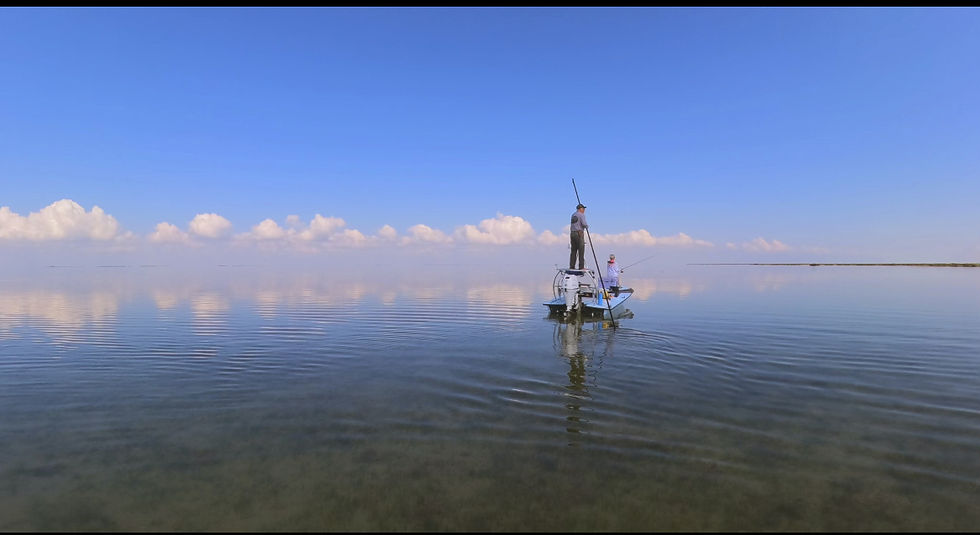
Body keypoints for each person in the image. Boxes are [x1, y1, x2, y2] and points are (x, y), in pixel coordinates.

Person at [569, 203, 588, 270]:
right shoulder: (581, 215)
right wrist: (587, 226)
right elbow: (584, 224)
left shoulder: (573, 215)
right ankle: (581, 267)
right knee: (581, 250)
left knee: (573, 251)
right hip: (579, 234)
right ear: (581, 209)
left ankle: (572, 266)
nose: (584, 210)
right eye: (583, 209)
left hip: (572, 234)